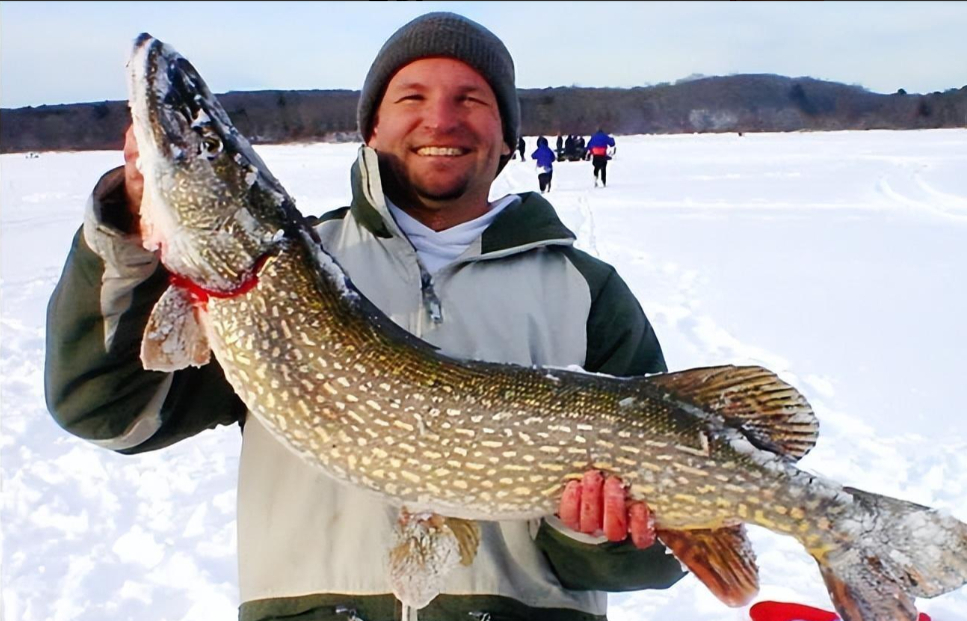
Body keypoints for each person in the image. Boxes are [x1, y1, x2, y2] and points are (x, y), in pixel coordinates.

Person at [44, 12, 683, 621]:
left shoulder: (587, 292)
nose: (441, 118)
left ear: (508, 133)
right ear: (372, 127)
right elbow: (107, 414)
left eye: (471, 99)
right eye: (410, 97)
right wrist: (126, 237)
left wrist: (601, 536)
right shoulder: (278, 282)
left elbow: (663, 558)